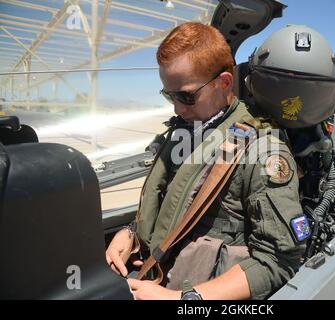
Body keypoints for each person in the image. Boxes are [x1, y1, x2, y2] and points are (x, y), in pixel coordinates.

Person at [106, 22, 308, 300]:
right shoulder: (184, 133)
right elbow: (171, 205)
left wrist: (183, 300)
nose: (177, 108)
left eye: (186, 96)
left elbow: (278, 262)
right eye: (170, 95)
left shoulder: (262, 153)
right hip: (154, 276)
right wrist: (130, 234)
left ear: (224, 82)